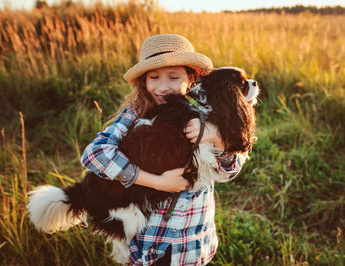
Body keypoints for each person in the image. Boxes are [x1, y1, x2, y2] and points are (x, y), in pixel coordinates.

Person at [81, 34, 243, 265]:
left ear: (192, 77)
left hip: (193, 240)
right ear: (143, 83)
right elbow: (94, 155)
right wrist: (156, 182)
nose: (163, 87)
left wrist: (216, 137)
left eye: (174, 76)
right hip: (150, 241)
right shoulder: (135, 113)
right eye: (154, 77)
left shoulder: (208, 115)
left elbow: (228, 172)